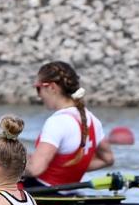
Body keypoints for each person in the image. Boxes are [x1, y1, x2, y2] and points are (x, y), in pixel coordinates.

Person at [25, 61, 114, 191]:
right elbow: (108, 159)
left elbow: (35, 169)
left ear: (52, 87)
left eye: (38, 88)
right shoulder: (93, 120)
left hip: (42, 191)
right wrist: (67, 168)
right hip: (68, 192)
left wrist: (6, 166)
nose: (39, 96)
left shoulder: (57, 122)